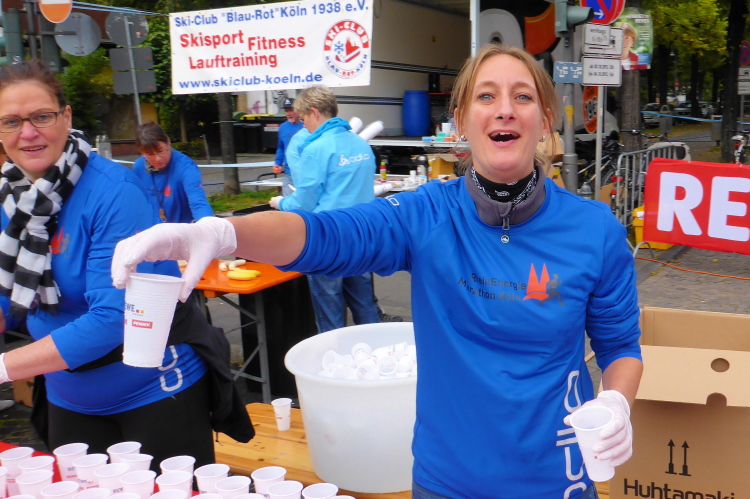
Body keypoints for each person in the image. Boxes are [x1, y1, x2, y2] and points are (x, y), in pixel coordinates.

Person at [112, 44, 642, 498]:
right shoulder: (427, 214)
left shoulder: (593, 230)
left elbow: (621, 347)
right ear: (461, 121)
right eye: (486, 96)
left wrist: (616, 401)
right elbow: (324, 235)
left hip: (554, 479)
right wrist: (224, 233)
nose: (504, 109)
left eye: (522, 97)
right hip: (445, 481)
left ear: (545, 120)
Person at [0, 60, 250, 468]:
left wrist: (4, 366)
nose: (27, 133)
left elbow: (115, 317)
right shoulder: (10, 196)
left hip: (151, 391)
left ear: (66, 117)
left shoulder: (113, 191)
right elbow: (7, 293)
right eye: (11, 121)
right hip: (67, 394)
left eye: (41, 117)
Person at [268, 85, 380, 334]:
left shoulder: (315, 149)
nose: (304, 126)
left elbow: (304, 202)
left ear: (315, 112)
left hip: (328, 239)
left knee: (331, 316)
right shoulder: (361, 145)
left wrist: (280, 203)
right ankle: (376, 351)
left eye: (304, 119)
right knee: (365, 306)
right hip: (362, 236)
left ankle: (333, 357)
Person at [132, 121, 214, 223]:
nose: (157, 159)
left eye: (160, 151)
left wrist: (208, 225)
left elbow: (198, 202)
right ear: (142, 153)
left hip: (183, 228)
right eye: (150, 154)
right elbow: (136, 202)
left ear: (168, 142)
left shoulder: (186, 167)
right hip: (154, 228)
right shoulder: (139, 167)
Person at [272, 98, 304, 196]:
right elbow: (281, 147)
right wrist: (278, 163)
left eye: (291, 110)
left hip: (303, 172)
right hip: (288, 172)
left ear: (298, 110)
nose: (288, 113)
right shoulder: (283, 127)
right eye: (286, 111)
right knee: (288, 200)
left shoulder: (305, 126)